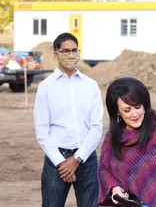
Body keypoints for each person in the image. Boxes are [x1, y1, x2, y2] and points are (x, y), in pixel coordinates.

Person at [98, 77, 156, 207]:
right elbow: (105, 169)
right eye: (127, 110)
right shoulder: (112, 138)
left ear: (145, 105)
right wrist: (114, 188)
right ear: (117, 112)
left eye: (137, 107)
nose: (134, 114)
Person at [34, 32, 103, 207]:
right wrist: (61, 163)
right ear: (56, 55)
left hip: (86, 158)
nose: (71, 54)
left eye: (74, 50)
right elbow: (42, 130)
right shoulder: (46, 88)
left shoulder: (91, 86)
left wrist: (77, 159)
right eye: (66, 51)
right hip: (56, 160)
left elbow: (96, 127)